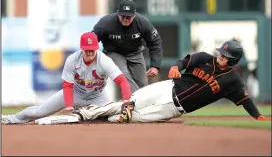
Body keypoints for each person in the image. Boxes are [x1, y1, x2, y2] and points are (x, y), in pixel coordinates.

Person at [34, 40, 270, 125]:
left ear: (233, 61)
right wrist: (177, 67)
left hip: (175, 107)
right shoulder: (205, 59)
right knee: (130, 101)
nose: (220, 57)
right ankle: (84, 114)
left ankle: (102, 118)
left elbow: (245, 100)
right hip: (167, 87)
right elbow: (183, 61)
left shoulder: (233, 81)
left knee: (127, 118)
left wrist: (257, 116)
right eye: (220, 53)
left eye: (225, 57)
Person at [1, 32, 131, 124]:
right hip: (76, 92)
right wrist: (69, 105)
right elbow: (68, 84)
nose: (90, 52)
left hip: (98, 96)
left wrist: (126, 101)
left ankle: (84, 114)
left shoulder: (104, 61)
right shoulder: (72, 59)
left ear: (96, 48)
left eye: (93, 49)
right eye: (87, 50)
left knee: (110, 118)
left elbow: (122, 81)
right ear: (82, 49)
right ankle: (10, 119)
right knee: (39, 111)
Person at [92, 0, 164, 93]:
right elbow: (91, 40)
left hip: (135, 53)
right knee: (123, 75)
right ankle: (134, 101)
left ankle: (142, 102)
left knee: (143, 83)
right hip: (113, 52)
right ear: (118, 14)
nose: (125, 19)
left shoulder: (142, 22)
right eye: (123, 16)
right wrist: (92, 59)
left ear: (134, 15)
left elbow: (155, 42)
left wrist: (155, 66)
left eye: (129, 17)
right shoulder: (106, 22)